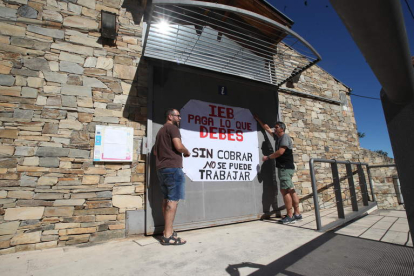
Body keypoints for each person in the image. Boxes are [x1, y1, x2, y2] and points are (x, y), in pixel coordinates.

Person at [254, 115, 302, 224]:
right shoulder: (277, 137)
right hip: (286, 168)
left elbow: (280, 152)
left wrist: (268, 157)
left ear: (282, 128)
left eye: (276, 127)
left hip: (285, 168)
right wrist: (258, 119)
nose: (274, 129)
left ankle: (290, 216)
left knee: (285, 191)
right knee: (291, 190)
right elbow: (267, 129)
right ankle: (297, 214)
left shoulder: (284, 137)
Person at [154, 108, 190, 245]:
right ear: (170, 116)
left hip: (161, 169)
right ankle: (168, 236)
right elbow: (178, 146)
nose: (180, 118)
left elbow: (156, 152)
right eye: (178, 116)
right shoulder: (172, 128)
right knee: (173, 201)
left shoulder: (160, 131)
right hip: (173, 168)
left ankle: (167, 230)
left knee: (166, 200)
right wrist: (186, 152)